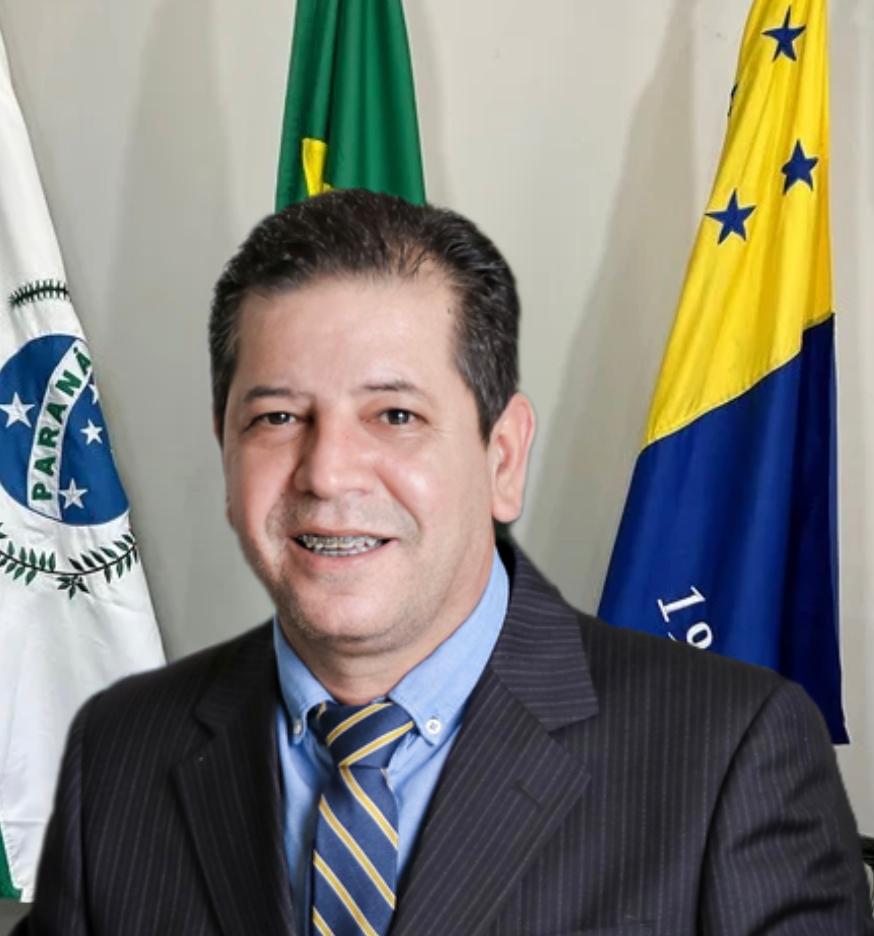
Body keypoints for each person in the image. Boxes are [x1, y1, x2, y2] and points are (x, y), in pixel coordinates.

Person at [16, 190, 873, 935]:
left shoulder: (730, 755)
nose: (327, 473)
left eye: (395, 416)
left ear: (503, 457)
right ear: (227, 452)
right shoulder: (119, 750)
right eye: (277, 418)